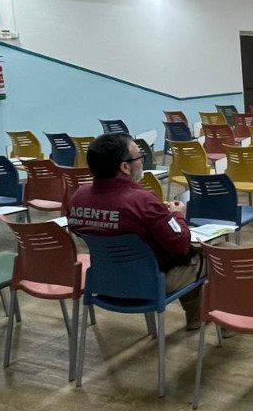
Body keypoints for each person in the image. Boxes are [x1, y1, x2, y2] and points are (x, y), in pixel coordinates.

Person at [67, 133, 203, 330]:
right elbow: (180, 244)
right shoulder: (143, 201)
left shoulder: (78, 197)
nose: (142, 162)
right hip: (150, 283)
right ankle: (217, 323)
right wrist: (177, 215)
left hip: (104, 281)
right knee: (215, 254)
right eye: (140, 157)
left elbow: (78, 229)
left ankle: (197, 317)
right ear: (125, 167)